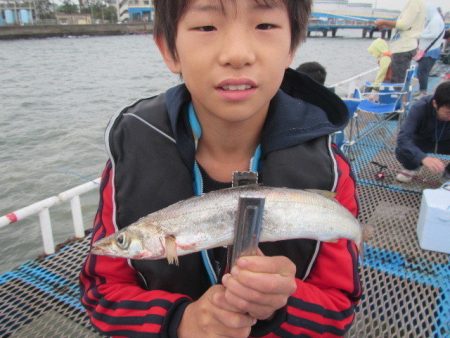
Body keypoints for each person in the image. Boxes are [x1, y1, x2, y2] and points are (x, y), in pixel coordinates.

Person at [79, 1, 362, 337]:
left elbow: (340, 307)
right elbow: (100, 292)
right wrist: (178, 323)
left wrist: (282, 302)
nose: (237, 54)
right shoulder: (132, 154)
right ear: (169, 49)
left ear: (292, 47)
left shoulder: (330, 170)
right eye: (207, 27)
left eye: (265, 26)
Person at [395, 81, 450, 183]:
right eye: (448, 112)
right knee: (402, 150)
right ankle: (411, 167)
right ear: (435, 103)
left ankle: (448, 173)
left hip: (446, 142)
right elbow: (403, 138)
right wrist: (422, 157)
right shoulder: (420, 107)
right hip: (422, 142)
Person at [374, 0, 426, 83]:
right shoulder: (418, 3)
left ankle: (396, 95)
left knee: (397, 82)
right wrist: (387, 25)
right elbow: (408, 26)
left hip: (403, 48)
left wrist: (383, 22)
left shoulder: (414, 2)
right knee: (400, 80)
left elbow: (403, 25)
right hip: (406, 46)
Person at [415, 4, 445, 97]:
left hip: (430, 52)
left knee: (423, 72)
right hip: (428, 51)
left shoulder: (435, 20)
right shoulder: (435, 19)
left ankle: (423, 92)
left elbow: (433, 34)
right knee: (421, 72)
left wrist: (419, 35)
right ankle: (421, 90)